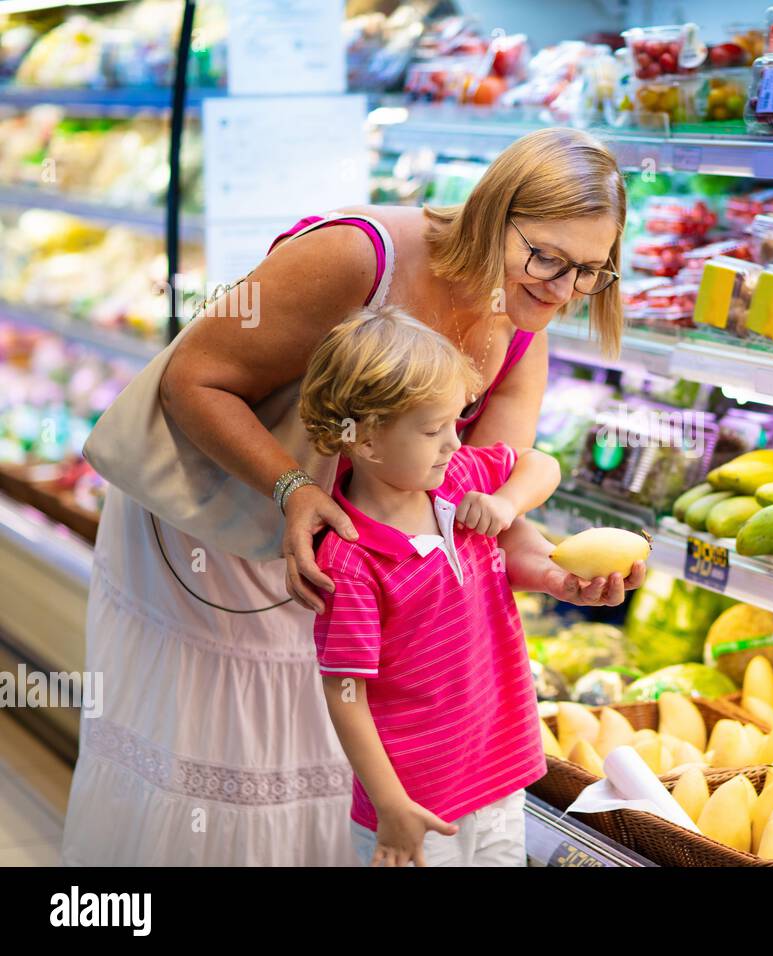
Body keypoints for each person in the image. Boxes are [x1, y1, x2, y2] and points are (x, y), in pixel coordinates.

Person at [62, 128, 643, 866]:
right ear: (494, 214)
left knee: (325, 765)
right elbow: (194, 378)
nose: (562, 290)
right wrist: (292, 488)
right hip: (223, 527)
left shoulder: (527, 322)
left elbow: (484, 502)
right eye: (546, 257)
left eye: (590, 271)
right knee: (224, 764)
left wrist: (555, 570)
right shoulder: (359, 255)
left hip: (350, 560)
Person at [303, 307, 559, 867]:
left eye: (456, 421)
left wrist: (506, 502)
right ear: (367, 442)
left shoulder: (461, 480)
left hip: (499, 777)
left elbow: (542, 465)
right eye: (431, 429)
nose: (452, 442)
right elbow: (345, 694)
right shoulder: (352, 560)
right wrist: (391, 807)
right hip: (416, 808)